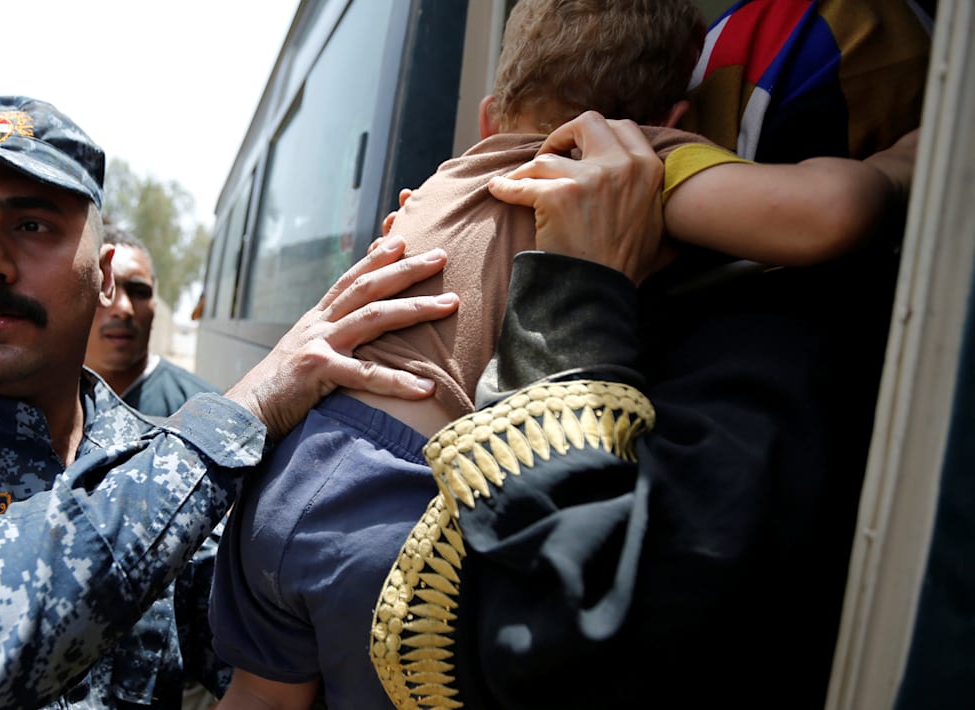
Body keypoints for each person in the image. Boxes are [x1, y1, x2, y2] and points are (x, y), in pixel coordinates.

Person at [207, 0, 925, 707]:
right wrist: (902, 165)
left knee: (262, 696)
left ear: (490, 116)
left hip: (293, 473)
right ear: (674, 119)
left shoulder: (444, 180)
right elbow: (826, 214)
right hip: (392, 513)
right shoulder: (624, 162)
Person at [0, 95, 459, 709]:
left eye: (31, 225)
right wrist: (240, 416)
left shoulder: (152, 463)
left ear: (104, 276)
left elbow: (267, 655)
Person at [82, 225, 227, 707]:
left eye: (139, 291)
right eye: (109, 290)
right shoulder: (44, 408)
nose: (123, 307)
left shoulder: (203, 408)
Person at [84, 225, 217, 419]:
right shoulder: (43, 403)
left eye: (140, 292)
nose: (124, 309)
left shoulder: (205, 415)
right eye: (105, 289)